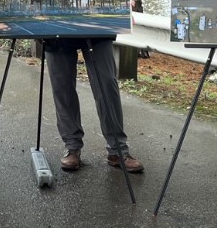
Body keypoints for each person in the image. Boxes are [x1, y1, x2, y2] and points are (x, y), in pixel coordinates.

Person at [44, 37, 144, 173]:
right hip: (56, 30)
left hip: (97, 30)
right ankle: (72, 147)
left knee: (107, 84)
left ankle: (117, 149)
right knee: (62, 87)